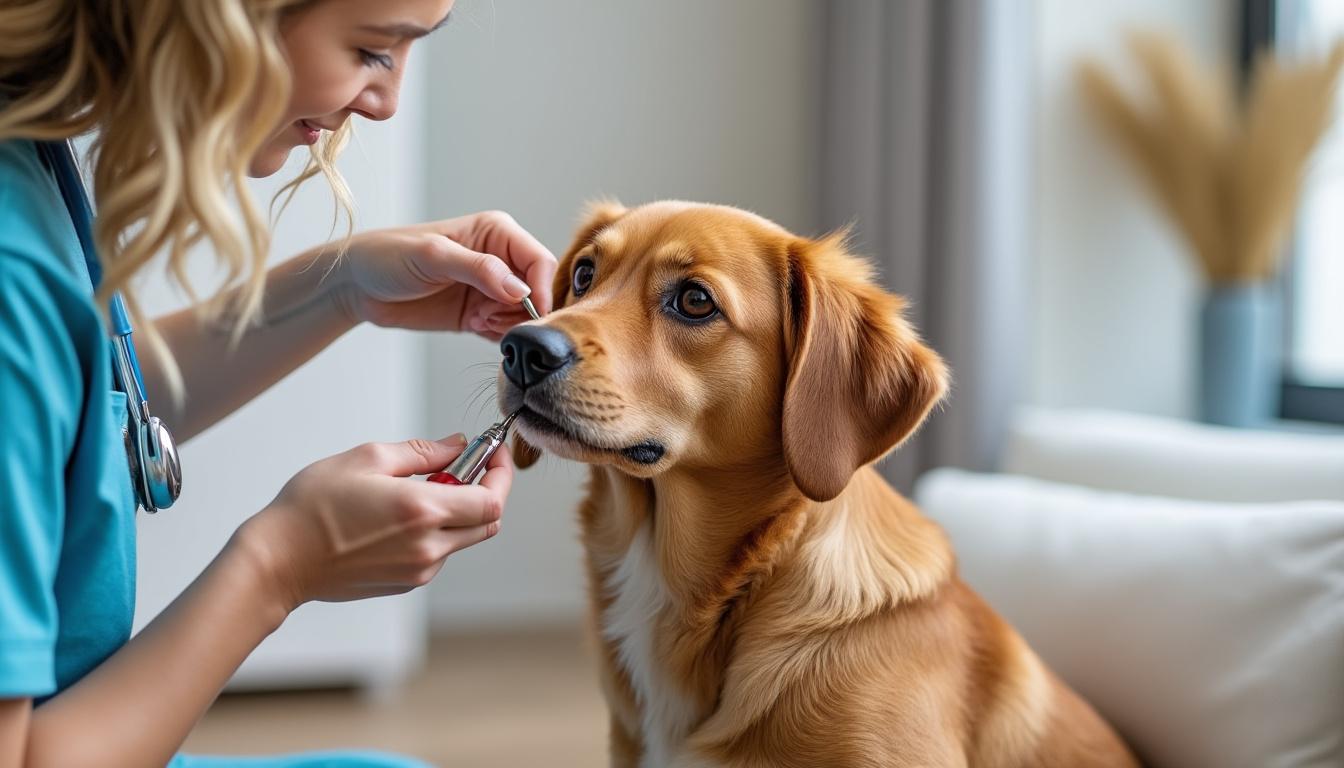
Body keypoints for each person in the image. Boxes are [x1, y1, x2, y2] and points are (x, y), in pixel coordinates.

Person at [0, 1, 555, 765]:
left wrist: (344, 286)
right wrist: (280, 564)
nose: (386, 102)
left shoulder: (27, 154)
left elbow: (82, 408)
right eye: (372, 49)